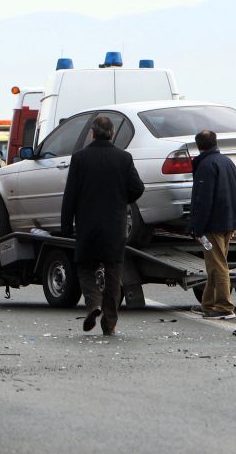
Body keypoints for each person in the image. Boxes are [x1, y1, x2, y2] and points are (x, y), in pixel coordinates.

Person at [60, 116, 144, 336]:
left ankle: (93, 304)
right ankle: (110, 323)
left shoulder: (80, 158)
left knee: (85, 267)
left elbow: (70, 195)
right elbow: (138, 188)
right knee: (114, 273)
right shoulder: (124, 158)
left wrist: (66, 225)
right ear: (113, 132)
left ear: (92, 133)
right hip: (114, 225)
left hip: (88, 224)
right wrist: (122, 198)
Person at [188, 130, 236, 320]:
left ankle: (225, 307)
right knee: (214, 265)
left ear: (198, 145)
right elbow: (235, 195)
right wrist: (235, 223)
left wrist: (196, 227)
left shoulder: (205, 165)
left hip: (212, 225)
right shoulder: (228, 162)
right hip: (227, 222)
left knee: (218, 266)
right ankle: (208, 304)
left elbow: (203, 200)